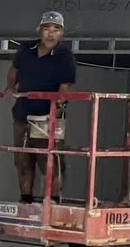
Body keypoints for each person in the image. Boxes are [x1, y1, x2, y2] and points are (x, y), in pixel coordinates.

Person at [9, 11, 78, 202]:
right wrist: (9, 87)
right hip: (22, 113)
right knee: (23, 161)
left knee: (50, 163)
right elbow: (14, 69)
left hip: (48, 117)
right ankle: (25, 199)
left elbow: (65, 88)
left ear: (61, 34)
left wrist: (55, 110)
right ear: (39, 30)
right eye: (47, 28)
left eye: (56, 29)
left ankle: (53, 201)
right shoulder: (26, 49)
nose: (51, 33)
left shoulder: (64, 56)